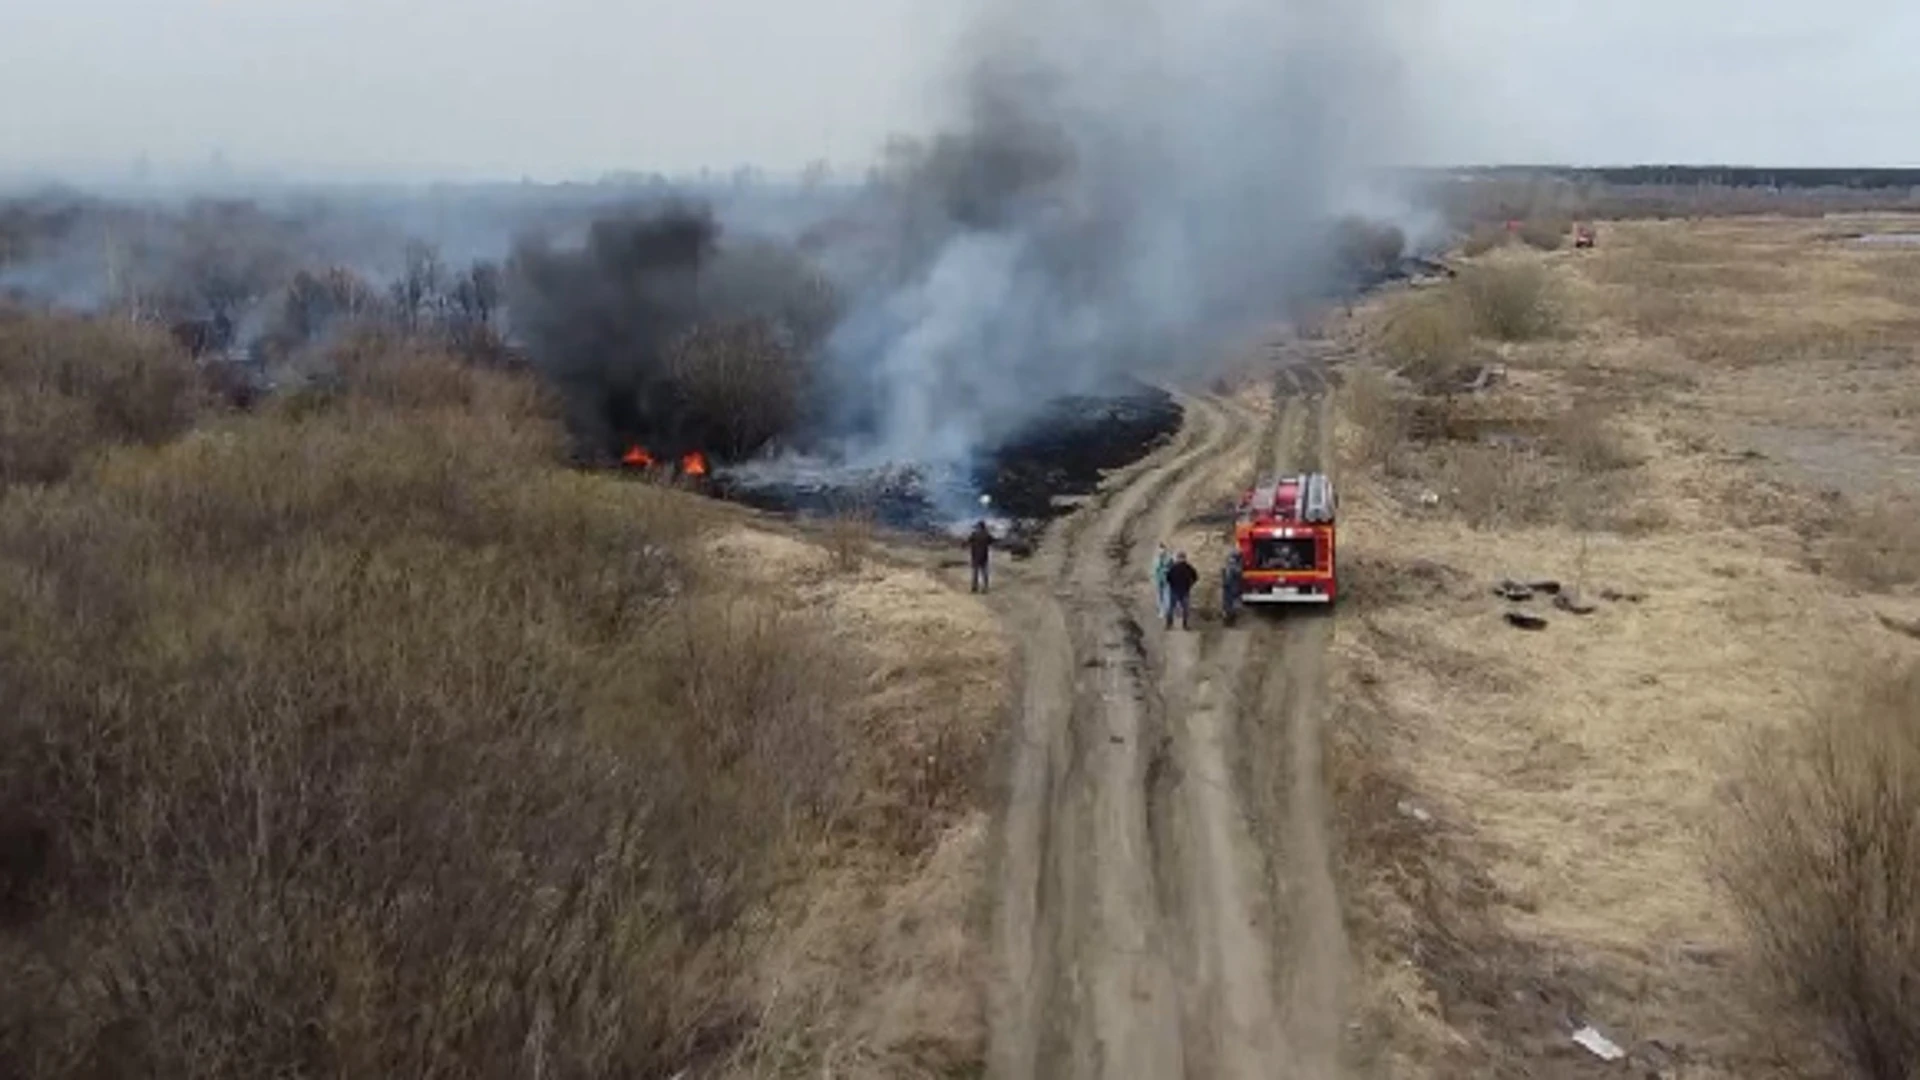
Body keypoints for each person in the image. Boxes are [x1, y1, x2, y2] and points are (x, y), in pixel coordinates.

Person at [1165, 551, 1199, 630]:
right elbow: (1195, 577)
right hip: (1184, 590)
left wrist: (1172, 585)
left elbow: (1168, 578)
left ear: (1178, 558)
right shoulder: (1188, 567)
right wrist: (1190, 585)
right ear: (1185, 558)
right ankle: (1185, 625)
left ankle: (1169, 624)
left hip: (1175, 590)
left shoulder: (1173, 567)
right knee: (1185, 609)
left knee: (1171, 608)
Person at [966, 520, 994, 594]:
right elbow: (992, 541)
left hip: (975, 556)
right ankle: (985, 588)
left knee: (975, 573)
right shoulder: (987, 535)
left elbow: (968, 541)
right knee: (984, 572)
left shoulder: (974, 534)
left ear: (979, 527)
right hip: (984, 556)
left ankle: (974, 588)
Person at [1221, 548, 1244, 626]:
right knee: (1233, 605)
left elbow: (1223, 574)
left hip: (1227, 587)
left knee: (1226, 605)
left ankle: (1226, 621)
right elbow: (1239, 573)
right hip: (1233, 588)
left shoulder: (1226, 565)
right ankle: (1231, 621)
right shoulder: (1235, 566)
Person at [1152, 543, 1173, 620]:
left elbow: (1171, 569)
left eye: (1162, 549)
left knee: (1166, 595)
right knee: (1159, 596)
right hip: (1158, 579)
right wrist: (1153, 577)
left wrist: (1166, 570)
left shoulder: (1169, 559)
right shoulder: (1156, 559)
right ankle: (1161, 610)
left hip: (1166, 579)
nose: (1160, 551)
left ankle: (1166, 611)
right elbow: (1154, 569)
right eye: (1159, 549)